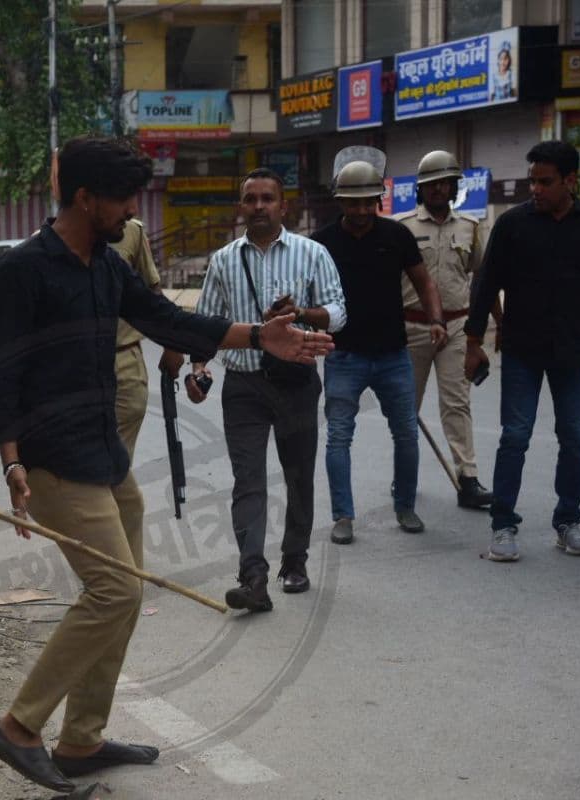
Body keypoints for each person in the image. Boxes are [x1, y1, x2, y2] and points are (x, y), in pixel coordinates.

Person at [0, 136, 332, 793]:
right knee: (114, 592)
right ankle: (20, 726)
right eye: (122, 202)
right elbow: (5, 371)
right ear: (85, 198)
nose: (131, 216)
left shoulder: (107, 266)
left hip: (105, 454)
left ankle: (81, 740)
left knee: (122, 597)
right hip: (53, 461)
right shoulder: (26, 269)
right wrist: (12, 459)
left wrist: (258, 337)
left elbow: (167, 319)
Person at [465, 140, 580, 563]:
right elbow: (485, 283)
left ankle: (568, 523)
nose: (536, 189)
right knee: (515, 437)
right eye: (532, 181)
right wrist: (473, 343)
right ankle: (503, 526)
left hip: (574, 354)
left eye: (545, 182)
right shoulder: (512, 225)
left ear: (570, 181)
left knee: (575, 440)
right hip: (523, 351)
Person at [188, 167, 346, 612]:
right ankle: (252, 576)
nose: (259, 206)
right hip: (243, 385)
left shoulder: (312, 253)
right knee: (248, 481)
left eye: (267, 199)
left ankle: (294, 561)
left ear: (283, 205)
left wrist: (303, 314)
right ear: (242, 206)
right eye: (251, 199)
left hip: (295, 381)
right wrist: (198, 369)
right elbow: (207, 325)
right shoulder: (223, 261)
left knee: (297, 476)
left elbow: (338, 313)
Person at [313, 160, 447, 545]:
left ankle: (404, 505)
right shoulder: (322, 242)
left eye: (366, 203)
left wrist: (435, 319)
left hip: (393, 355)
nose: (359, 211)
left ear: (378, 200)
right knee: (339, 436)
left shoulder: (397, 235)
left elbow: (425, 283)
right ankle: (343, 515)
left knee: (406, 432)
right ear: (340, 203)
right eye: (351, 204)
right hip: (344, 356)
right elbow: (307, 293)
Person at [395, 151, 494, 510]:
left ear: (455, 187)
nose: (439, 189)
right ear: (421, 190)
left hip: (456, 326)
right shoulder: (402, 226)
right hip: (412, 328)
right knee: (407, 410)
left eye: (445, 183)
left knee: (457, 403)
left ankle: (468, 480)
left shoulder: (469, 225)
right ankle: (403, 478)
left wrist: (490, 328)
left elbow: (483, 278)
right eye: (431, 184)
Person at [110, 217, 184, 456]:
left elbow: (153, 296)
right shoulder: (47, 241)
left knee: (117, 460)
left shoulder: (130, 230)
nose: (130, 207)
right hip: (72, 368)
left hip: (123, 363)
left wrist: (172, 344)